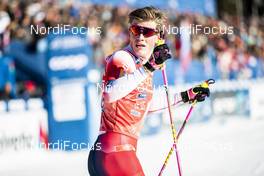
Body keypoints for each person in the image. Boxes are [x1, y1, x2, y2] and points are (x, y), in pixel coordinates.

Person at [88, 6, 210, 176]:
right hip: (115, 151)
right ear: (130, 32)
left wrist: (185, 96)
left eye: (147, 32)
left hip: (112, 153)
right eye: (136, 30)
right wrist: (149, 67)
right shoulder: (122, 58)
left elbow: (144, 105)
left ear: (159, 37)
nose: (140, 36)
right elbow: (109, 93)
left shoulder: (142, 66)